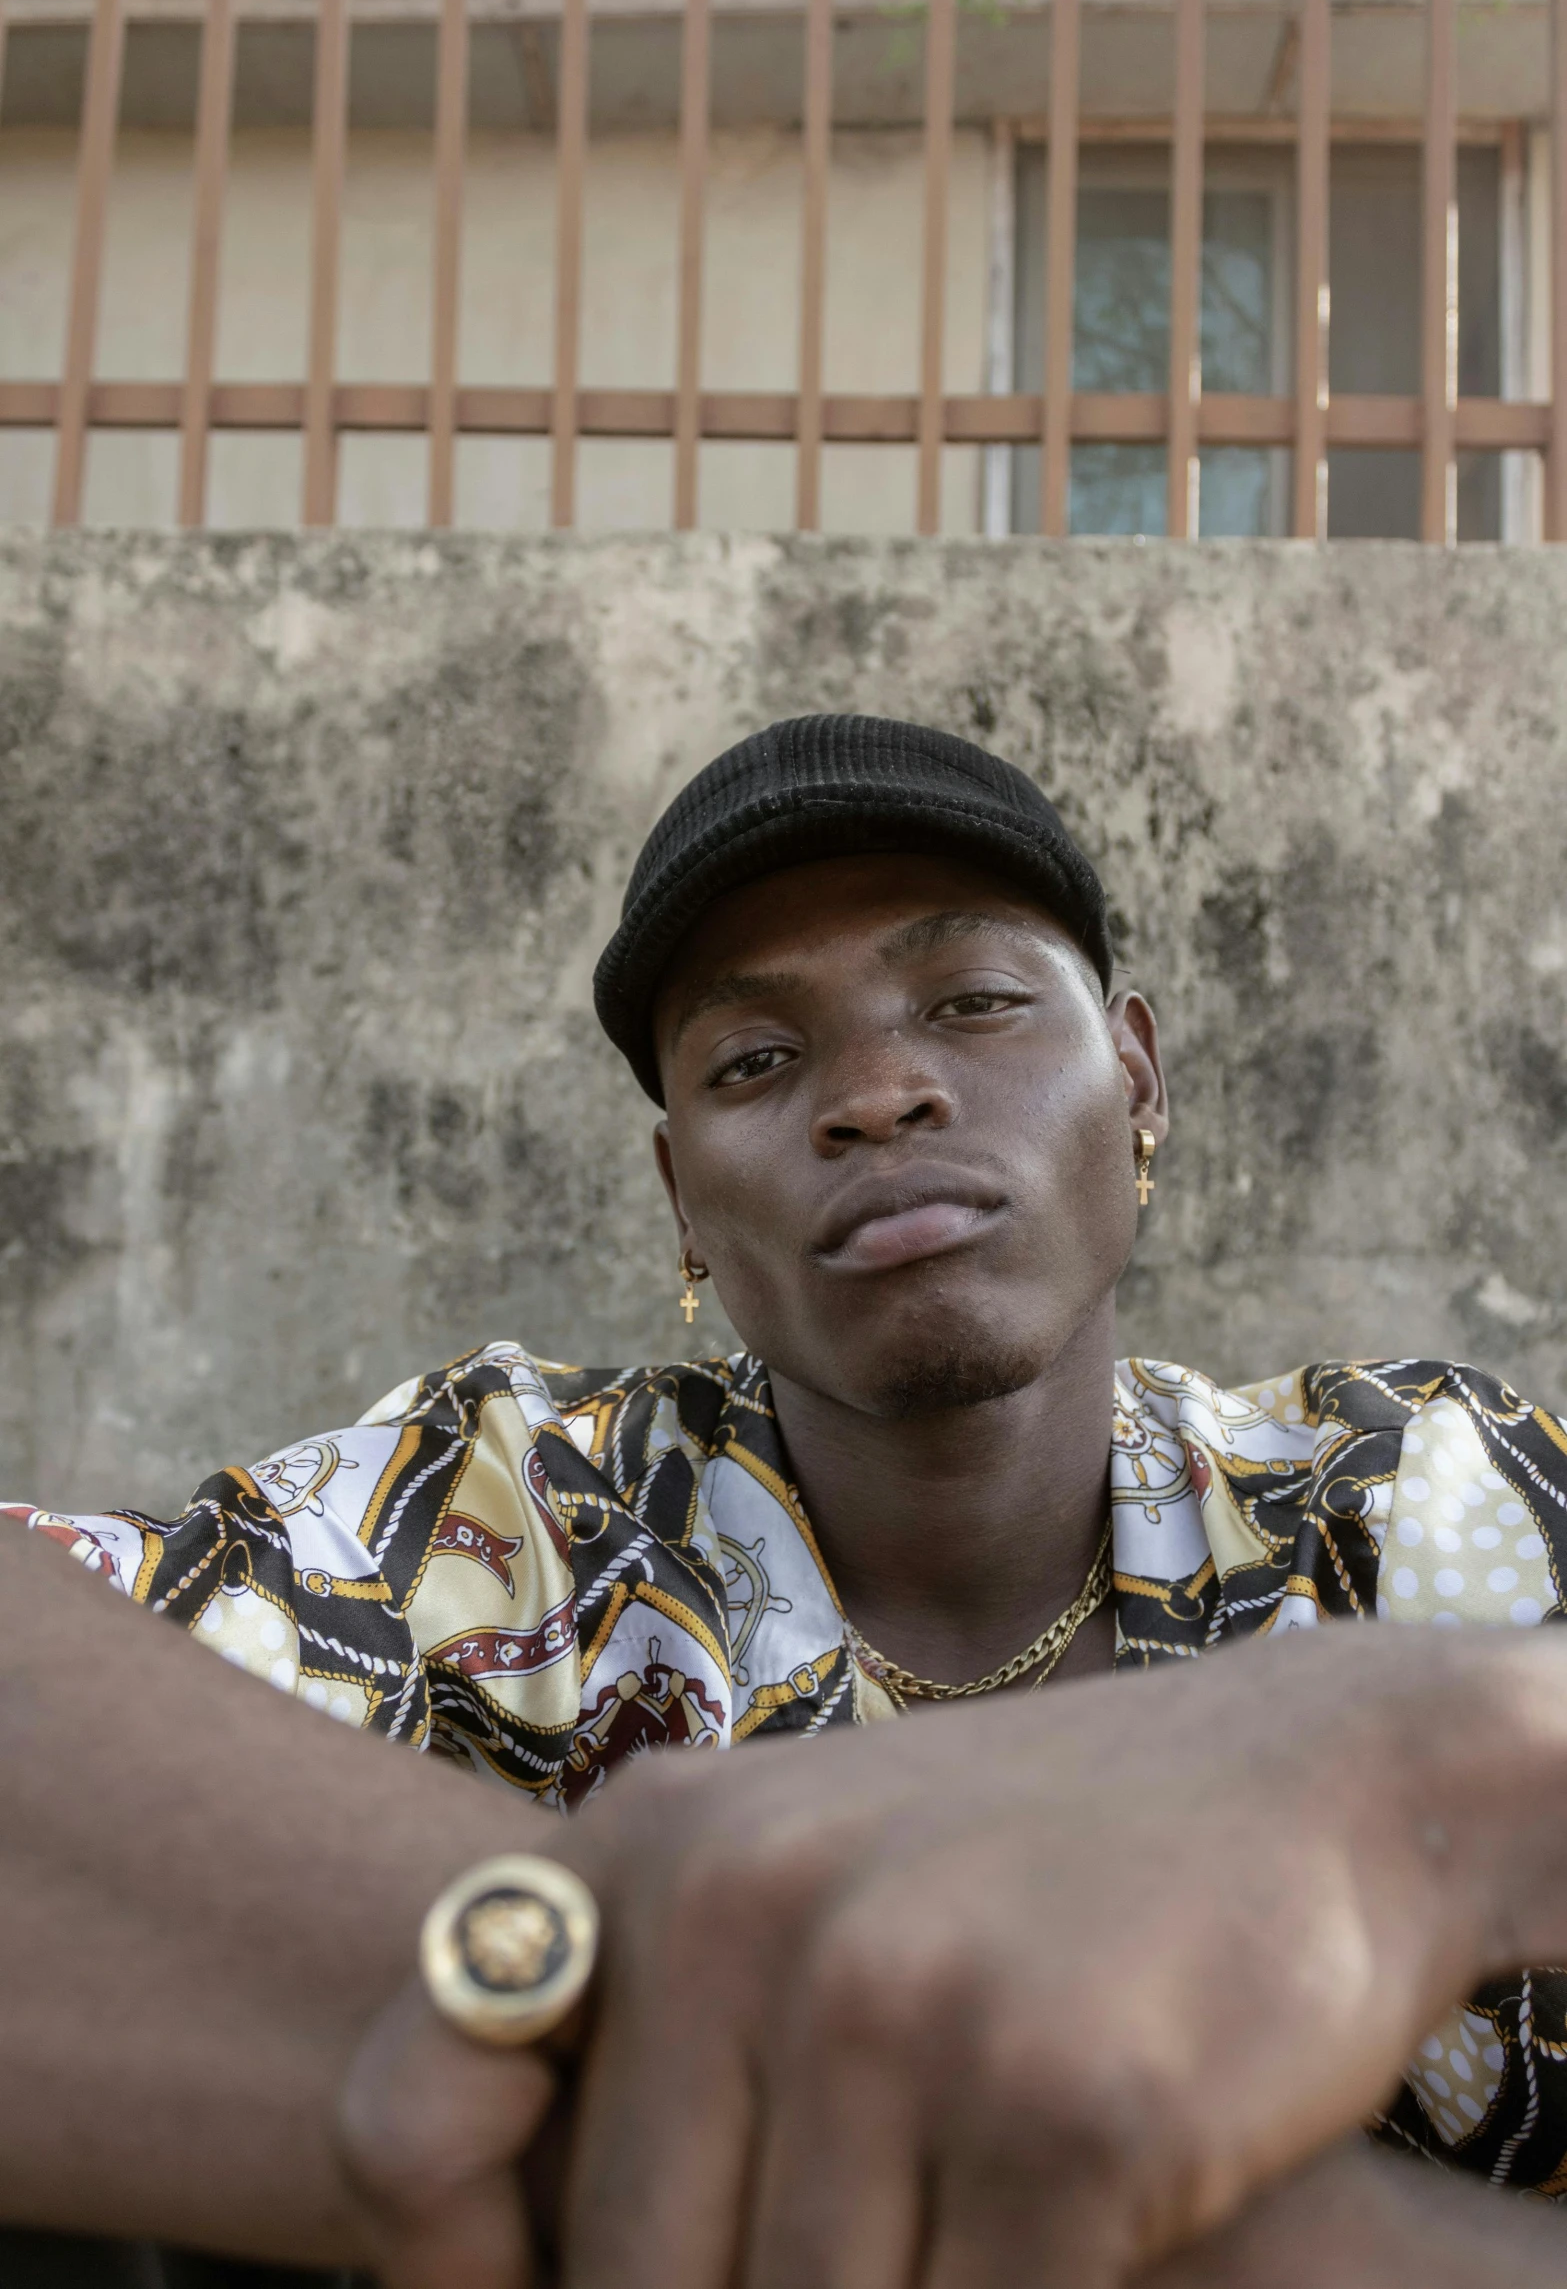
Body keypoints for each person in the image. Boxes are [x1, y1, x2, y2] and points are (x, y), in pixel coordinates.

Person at [6, 713, 1567, 2287]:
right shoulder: (516, 1518)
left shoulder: (1414, 1503)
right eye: (757, 1059)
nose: (879, 1092)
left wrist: (1436, 1755)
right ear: (683, 1196)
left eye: (971, 1002)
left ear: (1136, 1075)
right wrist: (642, 2003)